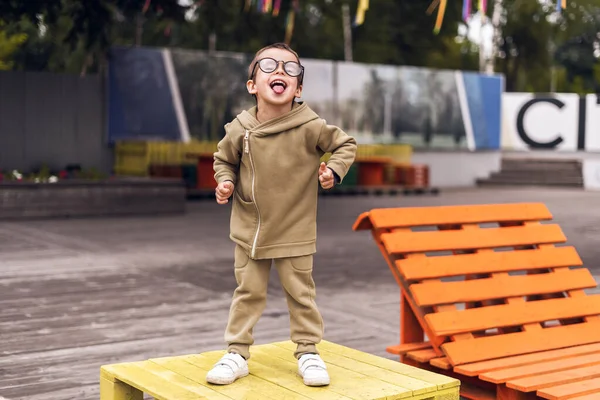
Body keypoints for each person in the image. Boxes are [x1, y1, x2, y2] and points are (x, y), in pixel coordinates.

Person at [207, 42, 357, 387]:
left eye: (290, 69)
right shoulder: (239, 127)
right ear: (252, 85)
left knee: (301, 295)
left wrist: (333, 170)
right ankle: (236, 352)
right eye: (270, 65)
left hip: (295, 227)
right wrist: (225, 182)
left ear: (298, 88)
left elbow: (346, 144)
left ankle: (308, 352)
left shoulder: (310, 125)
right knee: (248, 292)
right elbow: (223, 160)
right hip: (251, 229)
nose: (280, 72)